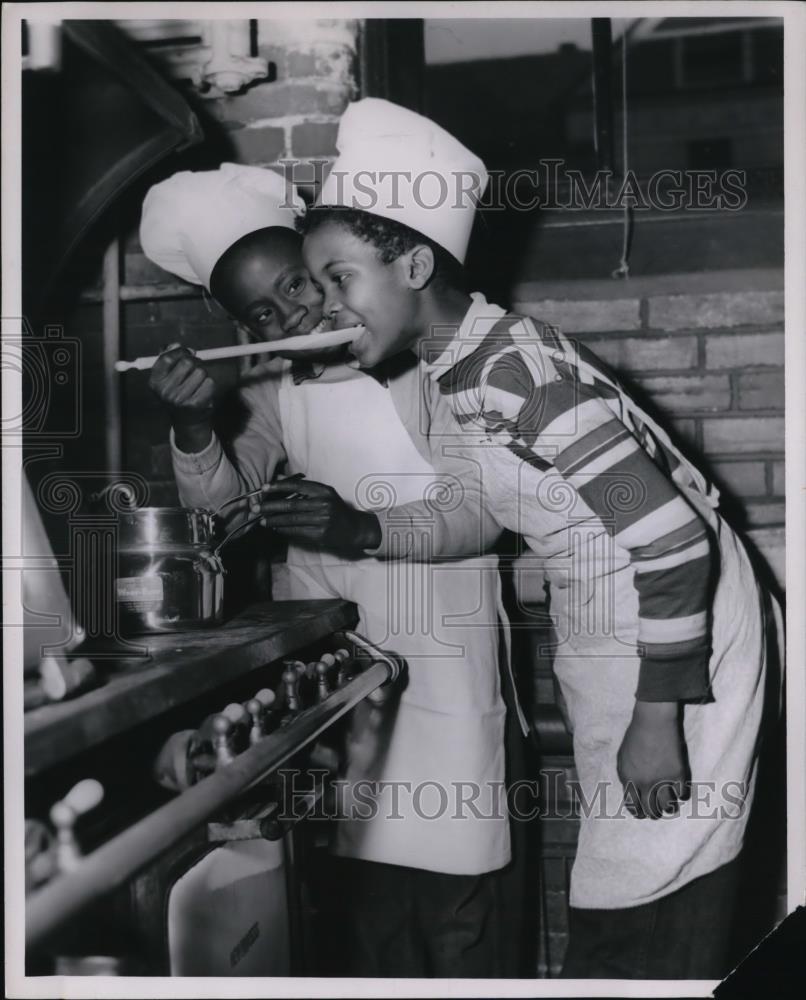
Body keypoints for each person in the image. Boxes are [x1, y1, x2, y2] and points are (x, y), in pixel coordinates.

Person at [277, 98, 781, 979]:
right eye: (319, 286)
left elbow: (672, 541)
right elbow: (477, 505)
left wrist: (656, 719)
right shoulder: (463, 364)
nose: (324, 307)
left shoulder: (513, 373)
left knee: (647, 913)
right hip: (634, 631)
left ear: (415, 262)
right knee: (628, 895)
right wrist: (360, 527)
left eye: (340, 278)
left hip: (677, 642)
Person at [139, 163, 531, 978]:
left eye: (304, 283)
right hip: (337, 691)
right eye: (265, 312)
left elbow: (487, 509)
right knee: (364, 916)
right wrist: (191, 426)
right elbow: (220, 508)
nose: (296, 314)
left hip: (447, 674)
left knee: (462, 918)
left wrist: (361, 526)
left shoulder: (428, 360)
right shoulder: (276, 383)